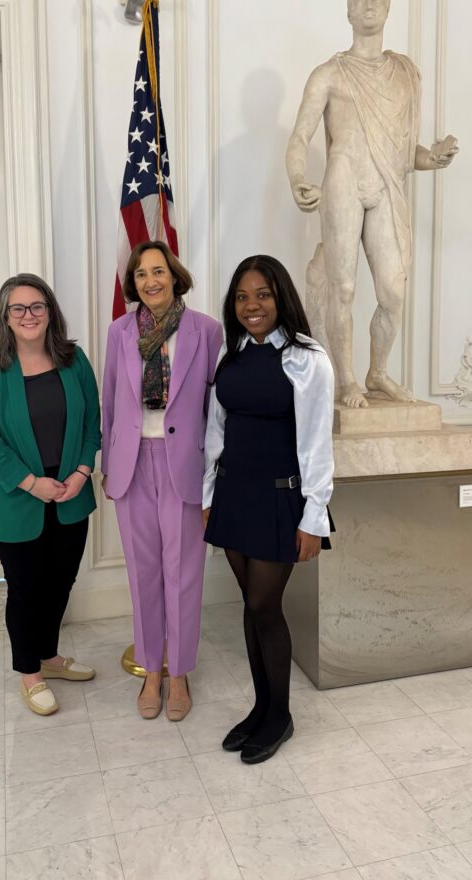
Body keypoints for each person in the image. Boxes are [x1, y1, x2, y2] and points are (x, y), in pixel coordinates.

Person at [285, 0, 458, 408]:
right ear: (348, 12)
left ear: (388, 10)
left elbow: (401, 149)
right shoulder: (329, 73)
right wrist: (297, 178)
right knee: (342, 289)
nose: (369, 3)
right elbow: (300, 137)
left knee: (392, 291)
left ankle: (377, 371)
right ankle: (345, 380)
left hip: (386, 185)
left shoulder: (404, 73)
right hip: (343, 179)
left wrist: (430, 158)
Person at [203, 255, 334, 764]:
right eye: (241, 297)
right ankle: (261, 708)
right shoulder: (229, 356)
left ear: (281, 298)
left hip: (282, 498)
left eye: (261, 294)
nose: (251, 305)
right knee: (250, 606)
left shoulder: (308, 359)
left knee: (264, 606)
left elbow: (319, 442)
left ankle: (280, 716)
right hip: (234, 495)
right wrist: (209, 495)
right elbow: (216, 430)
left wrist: (313, 517)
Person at [0, 273, 101, 716]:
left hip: (70, 492)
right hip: (16, 496)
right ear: (5, 316)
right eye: (18, 308)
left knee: (61, 581)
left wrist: (81, 473)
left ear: (50, 312)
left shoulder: (73, 359)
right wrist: (30, 482)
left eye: (37, 306)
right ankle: (31, 673)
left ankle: (49, 656)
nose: (28, 315)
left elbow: (91, 424)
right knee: (25, 588)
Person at [102, 241, 223, 721]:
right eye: (140, 275)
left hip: (185, 466)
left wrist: (217, 470)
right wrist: (109, 461)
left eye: (158, 271)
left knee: (183, 574)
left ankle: (180, 673)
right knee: (143, 574)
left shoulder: (206, 331)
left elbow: (217, 408)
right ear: (133, 284)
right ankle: (152, 670)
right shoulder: (119, 332)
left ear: (175, 276)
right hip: (132, 465)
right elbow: (111, 400)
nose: (149, 281)